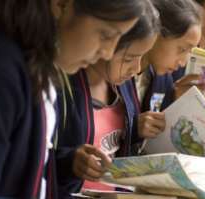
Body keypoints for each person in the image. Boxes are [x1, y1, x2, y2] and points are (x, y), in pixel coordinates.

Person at [0, 0, 142, 198]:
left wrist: (67, 161)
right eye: (105, 35)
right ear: (61, 5)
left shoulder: (34, 68)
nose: (108, 52)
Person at [56, 2, 159, 196]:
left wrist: (136, 129)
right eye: (128, 59)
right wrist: (69, 161)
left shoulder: (122, 84)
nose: (136, 69)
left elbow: (116, 144)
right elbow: (35, 159)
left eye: (142, 57)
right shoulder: (63, 87)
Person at [135, 0, 203, 144]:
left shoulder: (164, 80)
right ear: (156, 33)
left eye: (189, 52)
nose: (183, 62)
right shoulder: (120, 75)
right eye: (182, 49)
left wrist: (176, 102)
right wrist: (132, 129)